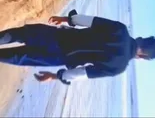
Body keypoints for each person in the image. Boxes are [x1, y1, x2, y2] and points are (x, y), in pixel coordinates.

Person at [0, 10, 155, 85]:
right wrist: (57, 76)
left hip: (60, 37)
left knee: (20, 34)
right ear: (142, 57)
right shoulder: (119, 67)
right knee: (19, 56)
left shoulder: (121, 30)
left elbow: (91, 21)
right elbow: (82, 73)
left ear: (142, 38)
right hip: (61, 57)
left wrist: (67, 19)